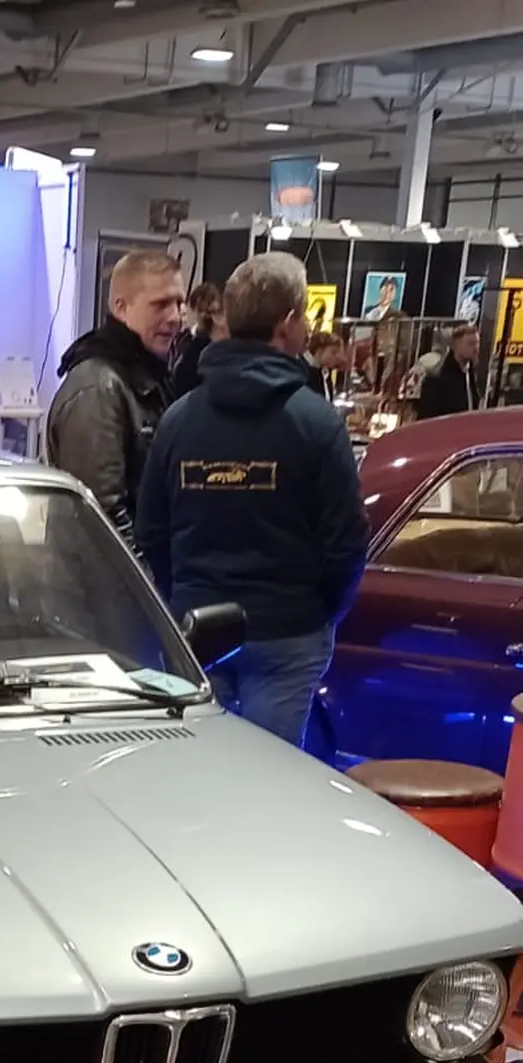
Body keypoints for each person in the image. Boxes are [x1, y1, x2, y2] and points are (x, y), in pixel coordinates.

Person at [136, 250, 369, 748]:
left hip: (197, 629)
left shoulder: (178, 420)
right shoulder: (317, 423)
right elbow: (347, 542)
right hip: (289, 630)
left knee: (195, 769)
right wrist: (319, 611)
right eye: (305, 318)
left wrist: (186, 597)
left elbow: (151, 532)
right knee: (271, 774)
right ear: (287, 323)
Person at [46, 248, 184, 542]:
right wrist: (144, 572)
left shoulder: (152, 375)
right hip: (103, 570)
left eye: (179, 303)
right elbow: (100, 518)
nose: (175, 317)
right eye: (160, 304)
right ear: (121, 307)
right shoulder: (98, 388)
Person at [170, 283, 225, 399]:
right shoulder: (182, 339)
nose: (204, 315)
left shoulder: (222, 345)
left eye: (208, 311)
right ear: (193, 309)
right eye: (200, 310)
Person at [417, 324, 480, 419]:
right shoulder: (437, 378)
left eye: (477, 343)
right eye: (470, 344)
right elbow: (427, 418)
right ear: (456, 346)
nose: (476, 348)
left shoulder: (470, 374)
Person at [303, 330, 343, 401]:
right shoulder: (302, 369)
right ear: (320, 351)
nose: (337, 357)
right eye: (333, 352)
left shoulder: (325, 371)